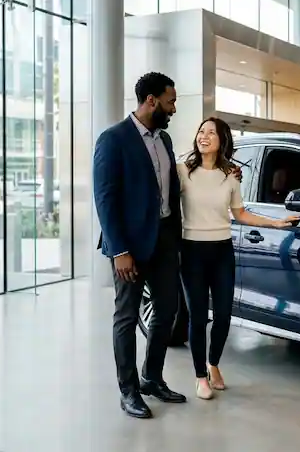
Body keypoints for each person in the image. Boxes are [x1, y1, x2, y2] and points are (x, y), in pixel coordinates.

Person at [177, 117, 300, 400]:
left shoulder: (231, 175)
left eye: (211, 133)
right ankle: (200, 377)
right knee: (197, 316)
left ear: (222, 141)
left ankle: (214, 364)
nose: (204, 136)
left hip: (222, 250)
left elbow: (240, 213)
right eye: (201, 131)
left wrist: (277, 223)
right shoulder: (182, 171)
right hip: (192, 250)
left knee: (223, 315)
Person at [92, 72, 187, 419]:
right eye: (170, 101)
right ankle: (128, 391)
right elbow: (105, 199)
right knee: (127, 316)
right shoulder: (113, 139)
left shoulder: (165, 141)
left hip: (163, 239)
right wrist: (119, 250)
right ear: (151, 100)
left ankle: (152, 377)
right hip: (128, 245)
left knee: (167, 311)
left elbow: (171, 189)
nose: (173, 108)